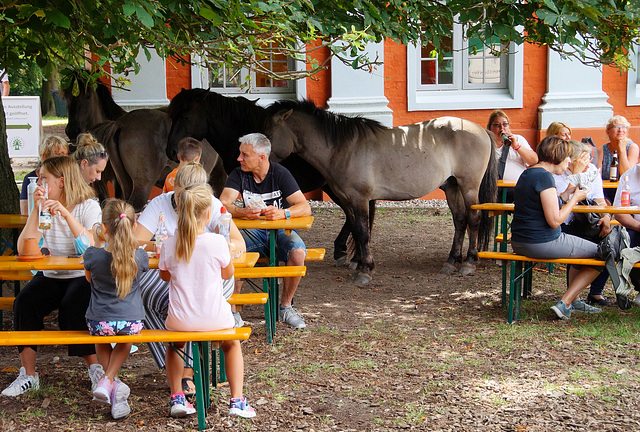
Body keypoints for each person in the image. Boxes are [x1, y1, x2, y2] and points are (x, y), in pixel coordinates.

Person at [134, 163, 245, 397]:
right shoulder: (160, 204)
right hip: (189, 280)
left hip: (187, 280)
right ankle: (231, 395)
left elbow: (239, 243)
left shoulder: (210, 207)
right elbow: (136, 242)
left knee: (183, 305)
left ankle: (184, 373)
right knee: (148, 296)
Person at [2, 156, 103, 397]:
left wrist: (67, 215)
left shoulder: (88, 205)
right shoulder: (42, 207)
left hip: (81, 275)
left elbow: (90, 246)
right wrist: (37, 210)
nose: (39, 183)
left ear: (61, 181)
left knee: (73, 306)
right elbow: (25, 247)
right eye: (38, 178)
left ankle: (96, 370)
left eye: (44, 178)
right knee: (24, 303)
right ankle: (28, 375)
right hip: (50, 275)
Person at [159, 183, 255, 418]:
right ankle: (237, 400)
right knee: (231, 344)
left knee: (175, 346)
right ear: (207, 213)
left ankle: (177, 397)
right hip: (215, 318)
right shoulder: (217, 242)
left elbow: (164, 275)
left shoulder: (169, 243)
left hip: (180, 320)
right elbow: (227, 273)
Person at [220, 133, 311, 329]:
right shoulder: (239, 174)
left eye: (245, 155)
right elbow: (223, 204)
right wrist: (241, 211)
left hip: (279, 233)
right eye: (240, 154)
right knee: (234, 252)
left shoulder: (280, 174)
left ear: (261, 157)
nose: (239, 159)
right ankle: (233, 310)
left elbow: (305, 207)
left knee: (297, 252)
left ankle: (286, 307)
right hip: (252, 233)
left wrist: (283, 214)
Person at [511, 136, 603, 320]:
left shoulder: (529, 173)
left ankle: (573, 300)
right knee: (602, 253)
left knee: (584, 250)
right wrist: (576, 199)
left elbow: (546, 203)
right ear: (558, 156)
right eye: (567, 157)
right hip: (542, 241)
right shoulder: (545, 177)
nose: (569, 161)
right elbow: (555, 220)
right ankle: (566, 302)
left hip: (520, 241)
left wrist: (568, 194)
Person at [84, 199, 149, 419]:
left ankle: (108, 380)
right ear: (133, 226)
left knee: (100, 338)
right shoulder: (139, 257)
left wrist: (95, 241)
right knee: (125, 338)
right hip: (131, 321)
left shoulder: (92, 255)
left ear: (104, 228)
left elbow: (88, 278)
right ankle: (110, 381)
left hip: (99, 321)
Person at [554, 141, 613, 306]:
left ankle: (591, 294)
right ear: (570, 161)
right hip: (562, 224)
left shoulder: (592, 170)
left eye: (588, 159)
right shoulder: (557, 172)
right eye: (583, 160)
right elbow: (558, 204)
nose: (588, 165)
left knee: (608, 245)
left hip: (585, 224)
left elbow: (600, 200)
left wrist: (606, 216)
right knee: (589, 247)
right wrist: (577, 174)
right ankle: (572, 299)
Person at [20, 135, 70, 215]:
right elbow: (25, 211)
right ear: (45, 156)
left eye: (66, 154)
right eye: (59, 154)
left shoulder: (69, 175)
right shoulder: (30, 179)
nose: (64, 159)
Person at [597, 115, 639, 203]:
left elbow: (627, 175)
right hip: (606, 192)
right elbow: (597, 176)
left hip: (627, 191)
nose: (621, 130)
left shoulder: (632, 147)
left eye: (624, 127)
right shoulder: (601, 150)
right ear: (608, 131)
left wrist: (622, 150)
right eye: (616, 127)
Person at [488, 110, 538, 182]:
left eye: (505, 124)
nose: (502, 128)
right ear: (490, 127)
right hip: (494, 187)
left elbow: (533, 160)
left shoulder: (518, 139)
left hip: (517, 186)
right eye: (497, 125)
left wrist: (516, 146)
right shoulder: (487, 143)